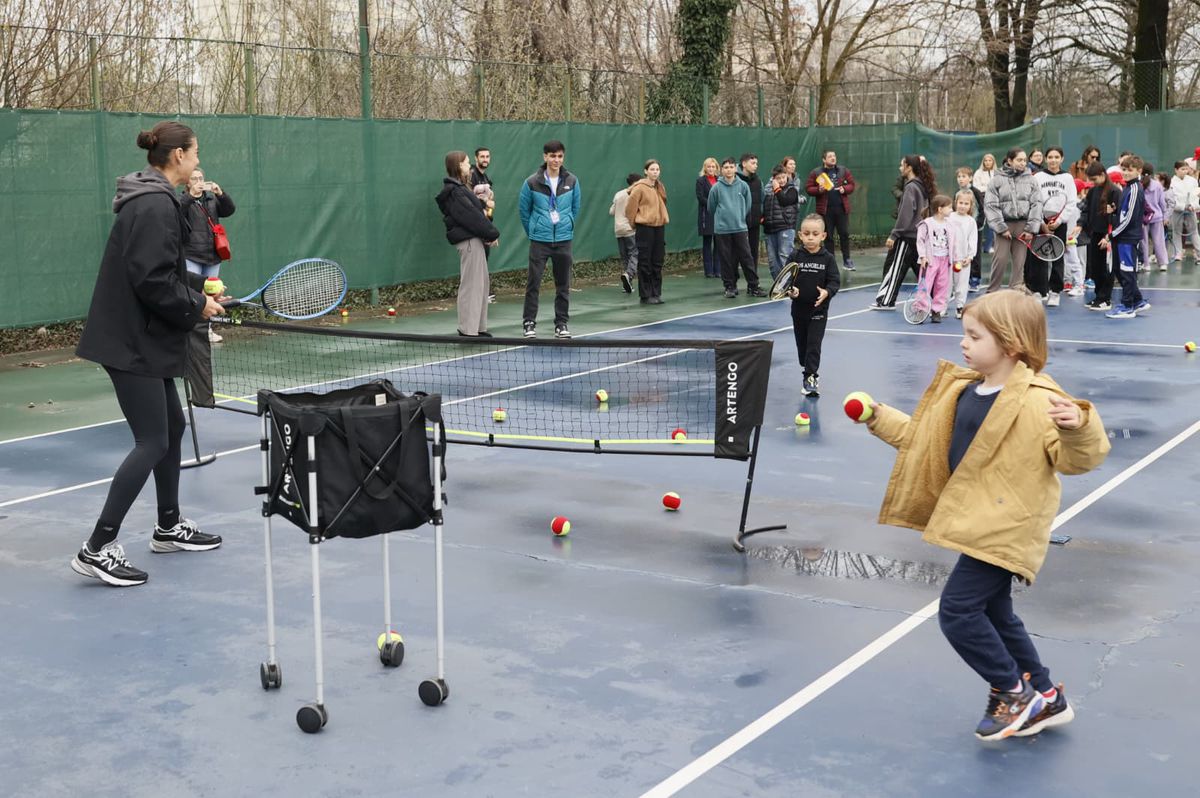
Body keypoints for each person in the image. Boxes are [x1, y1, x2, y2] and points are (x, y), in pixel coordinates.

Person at [854, 289, 1110, 741]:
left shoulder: (1039, 399)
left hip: (1006, 527)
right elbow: (924, 441)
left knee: (957, 611)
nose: (963, 343)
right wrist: (877, 417)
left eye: (974, 336)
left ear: (1010, 344)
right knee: (996, 614)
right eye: (964, 334)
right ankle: (1046, 696)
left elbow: (1076, 460)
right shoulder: (965, 390)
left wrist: (1081, 427)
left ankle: (1013, 693)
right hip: (977, 521)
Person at [72, 121, 225, 587]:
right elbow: (151, 281)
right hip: (130, 341)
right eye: (195, 152)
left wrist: (202, 291)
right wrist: (197, 304)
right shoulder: (155, 205)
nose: (198, 159)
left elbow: (162, 270)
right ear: (177, 156)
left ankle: (167, 526)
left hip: (142, 336)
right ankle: (96, 548)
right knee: (152, 441)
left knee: (172, 428)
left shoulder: (158, 200)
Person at [518, 139, 580, 339]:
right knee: (533, 283)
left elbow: (575, 208)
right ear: (545, 157)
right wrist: (534, 231)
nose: (556, 160)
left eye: (560, 156)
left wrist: (567, 224)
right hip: (540, 241)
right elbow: (524, 211)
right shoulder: (531, 182)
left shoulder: (572, 181)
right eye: (552, 156)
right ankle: (529, 323)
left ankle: (561, 324)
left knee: (563, 284)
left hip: (563, 240)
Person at [436, 150, 499, 337]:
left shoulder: (462, 189)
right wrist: (492, 233)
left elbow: (478, 212)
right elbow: (472, 218)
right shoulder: (454, 192)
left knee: (481, 285)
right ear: (458, 166)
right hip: (469, 242)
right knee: (471, 286)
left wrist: (486, 204)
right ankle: (468, 330)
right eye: (466, 163)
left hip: (477, 241)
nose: (469, 166)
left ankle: (478, 329)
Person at [785, 214, 840, 397]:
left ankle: (810, 377)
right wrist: (791, 291)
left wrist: (827, 292)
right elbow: (786, 281)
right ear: (800, 235)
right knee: (803, 348)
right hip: (798, 311)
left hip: (819, 311)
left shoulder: (828, 259)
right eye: (806, 233)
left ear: (823, 236)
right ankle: (806, 365)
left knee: (813, 345)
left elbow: (834, 281)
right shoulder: (795, 256)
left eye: (815, 234)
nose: (810, 237)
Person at [872, 155, 936, 310]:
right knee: (921, 270)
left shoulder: (911, 187)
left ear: (909, 167)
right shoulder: (923, 186)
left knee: (895, 268)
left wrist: (895, 234)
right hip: (920, 236)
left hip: (907, 236)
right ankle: (940, 299)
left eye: (902, 165)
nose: (900, 168)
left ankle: (886, 301)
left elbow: (906, 214)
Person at [181, 168, 235, 343]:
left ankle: (208, 330)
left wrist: (221, 194)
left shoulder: (211, 200)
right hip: (192, 256)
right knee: (193, 295)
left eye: (200, 178)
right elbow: (177, 215)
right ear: (187, 183)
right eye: (194, 178)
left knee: (212, 295)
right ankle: (190, 331)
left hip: (213, 256)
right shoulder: (181, 200)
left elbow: (229, 210)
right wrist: (190, 197)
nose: (198, 181)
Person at [984, 148, 1042, 293]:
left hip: (1023, 227)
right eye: (1019, 160)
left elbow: (1037, 204)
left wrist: (1030, 229)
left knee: (1019, 263)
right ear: (1010, 161)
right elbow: (990, 205)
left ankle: (1016, 291)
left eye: (1024, 160)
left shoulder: (1032, 180)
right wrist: (1001, 228)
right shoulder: (996, 181)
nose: (1023, 163)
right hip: (1004, 227)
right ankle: (992, 292)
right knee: (1000, 260)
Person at [707, 157, 763, 298]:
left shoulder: (743, 186)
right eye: (726, 167)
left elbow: (748, 205)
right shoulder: (716, 188)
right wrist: (722, 219)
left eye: (731, 167)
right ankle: (730, 287)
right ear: (721, 170)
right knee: (726, 259)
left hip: (740, 228)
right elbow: (711, 207)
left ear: (735, 168)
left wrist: (739, 218)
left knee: (747, 257)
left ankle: (753, 286)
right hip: (722, 230)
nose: (729, 170)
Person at [1104, 155, 1150, 319]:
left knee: (1126, 271)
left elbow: (1129, 219)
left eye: (1130, 170)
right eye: (1123, 169)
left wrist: (1111, 234)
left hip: (1128, 239)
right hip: (1122, 237)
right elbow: (1125, 212)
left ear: (1139, 171)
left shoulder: (1135, 188)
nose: (1126, 173)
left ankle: (1127, 306)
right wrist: (1116, 210)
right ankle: (1138, 301)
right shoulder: (1128, 188)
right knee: (1119, 269)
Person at [1031, 146, 1077, 305]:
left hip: (1059, 224)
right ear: (1045, 158)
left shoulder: (1068, 178)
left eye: (1057, 157)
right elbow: (1034, 200)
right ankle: (1039, 291)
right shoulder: (1038, 177)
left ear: (1062, 159)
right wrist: (1042, 222)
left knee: (1057, 257)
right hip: (1041, 223)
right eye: (1050, 157)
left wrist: (1059, 220)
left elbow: (1071, 202)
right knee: (1039, 257)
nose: (1053, 160)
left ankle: (1055, 291)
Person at [1072, 162, 1118, 312]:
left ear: (1103, 175)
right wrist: (1080, 224)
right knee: (1096, 268)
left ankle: (1106, 298)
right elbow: (1085, 210)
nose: (1092, 182)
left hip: (1108, 235)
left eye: (1094, 179)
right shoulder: (1093, 191)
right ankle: (1099, 296)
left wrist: (1109, 236)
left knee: (1108, 268)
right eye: (1090, 179)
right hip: (1095, 234)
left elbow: (1116, 216)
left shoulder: (1114, 191)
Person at [626, 159, 669, 304]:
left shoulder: (660, 187)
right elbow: (630, 208)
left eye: (657, 169)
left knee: (657, 261)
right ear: (646, 171)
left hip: (659, 227)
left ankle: (656, 293)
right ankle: (645, 295)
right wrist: (635, 224)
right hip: (645, 228)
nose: (655, 172)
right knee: (645, 261)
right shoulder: (639, 188)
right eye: (652, 169)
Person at [805, 149, 857, 271]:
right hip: (825, 210)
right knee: (828, 237)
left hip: (841, 209)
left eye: (834, 156)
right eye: (830, 156)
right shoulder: (816, 172)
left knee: (844, 233)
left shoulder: (843, 170)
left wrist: (845, 189)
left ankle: (847, 260)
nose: (833, 158)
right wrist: (819, 190)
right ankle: (831, 262)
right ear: (824, 160)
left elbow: (852, 185)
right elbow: (808, 188)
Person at [915, 195, 957, 324]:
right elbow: (920, 241)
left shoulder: (950, 225)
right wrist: (923, 256)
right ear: (940, 209)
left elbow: (953, 243)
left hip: (945, 261)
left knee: (942, 286)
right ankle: (921, 309)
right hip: (930, 261)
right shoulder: (926, 224)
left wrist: (954, 259)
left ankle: (936, 310)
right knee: (925, 286)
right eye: (949, 207)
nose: (951, 210)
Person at [762, 165, 800, 279]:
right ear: (773, 179)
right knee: (773, 261)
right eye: (778, 178)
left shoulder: (792, 190)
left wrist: (777, 188)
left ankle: (790, 285)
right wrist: (763, 218)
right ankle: (779, 286)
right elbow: (763, 206)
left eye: (783, 177)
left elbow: (784, 201)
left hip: (786, 228)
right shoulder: (768, 191)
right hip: (770, 229)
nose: (782, 180)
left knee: (785, 257)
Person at [469, 146, 497, 302]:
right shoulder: (471, 175)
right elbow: (469, 199)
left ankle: (483, 292)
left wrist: (489, 224)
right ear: (476, 158)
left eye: (487, 156)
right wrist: (486, 202)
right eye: (482, 157)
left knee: (484, 258)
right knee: (476, 260)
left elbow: (489, 205)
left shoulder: (486, 179)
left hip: (484, 225)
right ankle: (478, 294)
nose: (485, 159)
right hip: (474, 226)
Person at [950, 190, 979, 319]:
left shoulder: (971, 221)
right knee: (945, 284)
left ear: (970, 205)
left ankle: (960, 307)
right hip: (948, 259)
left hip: (963, 260)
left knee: (961, 284)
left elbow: (973, 240)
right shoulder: (949, 217)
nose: (962, 206)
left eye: (966, 203)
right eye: (960, 202)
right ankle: (940, 308)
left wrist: (970, 256)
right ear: (955, 203)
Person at [956, 167, 986, 292]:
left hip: (975, 229)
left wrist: (978, 224)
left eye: (964, 176)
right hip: (961, 230)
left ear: (971, 178)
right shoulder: (957, 193)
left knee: (974, 253)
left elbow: (983, 210)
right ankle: (963, 278)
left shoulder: (976, 192)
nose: (961, 179)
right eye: (959, 177)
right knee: (961, 252)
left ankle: (975, 279)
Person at [609, 173, 640, 292]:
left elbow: (611, 211)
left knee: (625, 257)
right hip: (629, 229)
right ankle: (629, 274)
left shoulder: (618, 194)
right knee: (635, 253)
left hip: (618, 229)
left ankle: (627, 284)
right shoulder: (634, 193)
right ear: (636, 182)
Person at [736, 153, 765, 272]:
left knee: (753, 251)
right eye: (752, 163)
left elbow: (762, 199)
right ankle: (731, 284)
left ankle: (753, 282)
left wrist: (762, 215)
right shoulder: (735, 180)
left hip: (754, 223)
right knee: (737, 251)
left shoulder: (758, 181)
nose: (755, 166)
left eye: (756, 163)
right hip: (739, 224)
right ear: (744, 164)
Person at [1169, 160, 1200, 261]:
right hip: (1177, 211)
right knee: (1177, 232)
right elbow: (1171, 199)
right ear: (1176, 170)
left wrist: (1193, 205)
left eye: (1186, 169)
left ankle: (1199, 252)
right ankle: (1178, 253)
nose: (1185, 171)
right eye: (1182, 169)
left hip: (1191, 210)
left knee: (1194, 231)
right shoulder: (1172, 182)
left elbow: (1196, 196)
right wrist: (1182, 206)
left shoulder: (1193, 181)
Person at [1140, 162, 1169, 271]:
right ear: (1152, 172)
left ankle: (1146, 264)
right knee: (1159, 240)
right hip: (1157, 216)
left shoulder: (1139, 184)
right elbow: (1162, 203)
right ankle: (1163, 264)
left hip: (1143, 217)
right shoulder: (1158, 185)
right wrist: (1165, 216)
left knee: (1144, 241)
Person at [695, 158, 720, 278]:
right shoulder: (700, 181)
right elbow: (700, 197)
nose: (711, 169)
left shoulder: (720, 180)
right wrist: (712, 204)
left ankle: (718, 270)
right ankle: (709, 271)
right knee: (707, 243)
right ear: (705, 168)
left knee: (719, 243)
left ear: (716, 168)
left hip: (719, 216)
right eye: (709, 167)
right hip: (707, 215)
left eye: (713, 167)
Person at [973, 154, 997, 253]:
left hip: (994, 200)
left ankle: (988, 246)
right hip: (981, 200)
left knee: (992, 224)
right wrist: (987, 188)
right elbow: (976, 187)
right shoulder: (978, 173)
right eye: (985, 160)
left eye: (989, 160)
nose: (987, 162)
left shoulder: (997, 173)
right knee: (981, 222)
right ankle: (977, 247)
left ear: (993, 162)